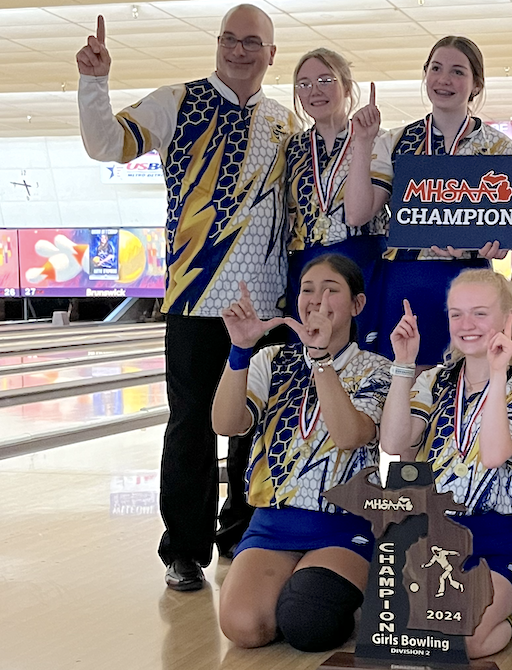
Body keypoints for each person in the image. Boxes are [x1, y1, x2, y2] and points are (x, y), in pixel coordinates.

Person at [76, 5, 297, 590]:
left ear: (271, 54)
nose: (239, 50)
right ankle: (184, 549)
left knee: (258, 427)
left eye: (253, 42)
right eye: (230, 39)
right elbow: (106, 145)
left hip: (266, 305)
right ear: (218, 43)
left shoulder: (284, 123)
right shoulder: (177, 100)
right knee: (191, 427)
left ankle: (244, 533)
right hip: (197, 299)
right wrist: (93, 82)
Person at [213, 253, 390, 652]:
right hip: (273, 526)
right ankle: (297, 590)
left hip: (344, 526)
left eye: (332, 290)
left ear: (357, 305)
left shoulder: (377, 369)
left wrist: (322, 359)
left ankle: (351, 595)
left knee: (308, 622)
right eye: (308, 290)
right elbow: (225, 424)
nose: (317, 299)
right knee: (243, 628)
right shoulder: (272, 360)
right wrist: (240, 349)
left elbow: (349, 435)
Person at [380, 269, 512, 658]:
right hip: (429, 537)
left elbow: (492, 455)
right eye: (457, 314)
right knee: (407, 635)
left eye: (480, 314)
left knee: (465, 641)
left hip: (495, 540)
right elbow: (393, 441)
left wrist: (497, 374)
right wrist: (404, 364)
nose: (466, 325)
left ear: (508, 320)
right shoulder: (435, 380)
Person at [345, 36, 512, 367]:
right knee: (402, 387)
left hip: (470, 282)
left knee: (466, 384)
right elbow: (357, 213)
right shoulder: (396, 140)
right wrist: (363, 143)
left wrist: (494, 245)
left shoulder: (499, 148)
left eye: (457, 71)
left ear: (476, 83)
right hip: (406, 281)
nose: (444, 80)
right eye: (435, 69)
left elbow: (504, 238)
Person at [285, 48, 388, 343]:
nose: (314, 91)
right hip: (306, 267)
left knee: (363, 355)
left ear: (346, 86)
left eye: (325, 80)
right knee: (310, 357)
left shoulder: (379, 141)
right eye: (303, 84)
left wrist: (362, 142)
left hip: (362, 262)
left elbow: (366, 213)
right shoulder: (292, 148)